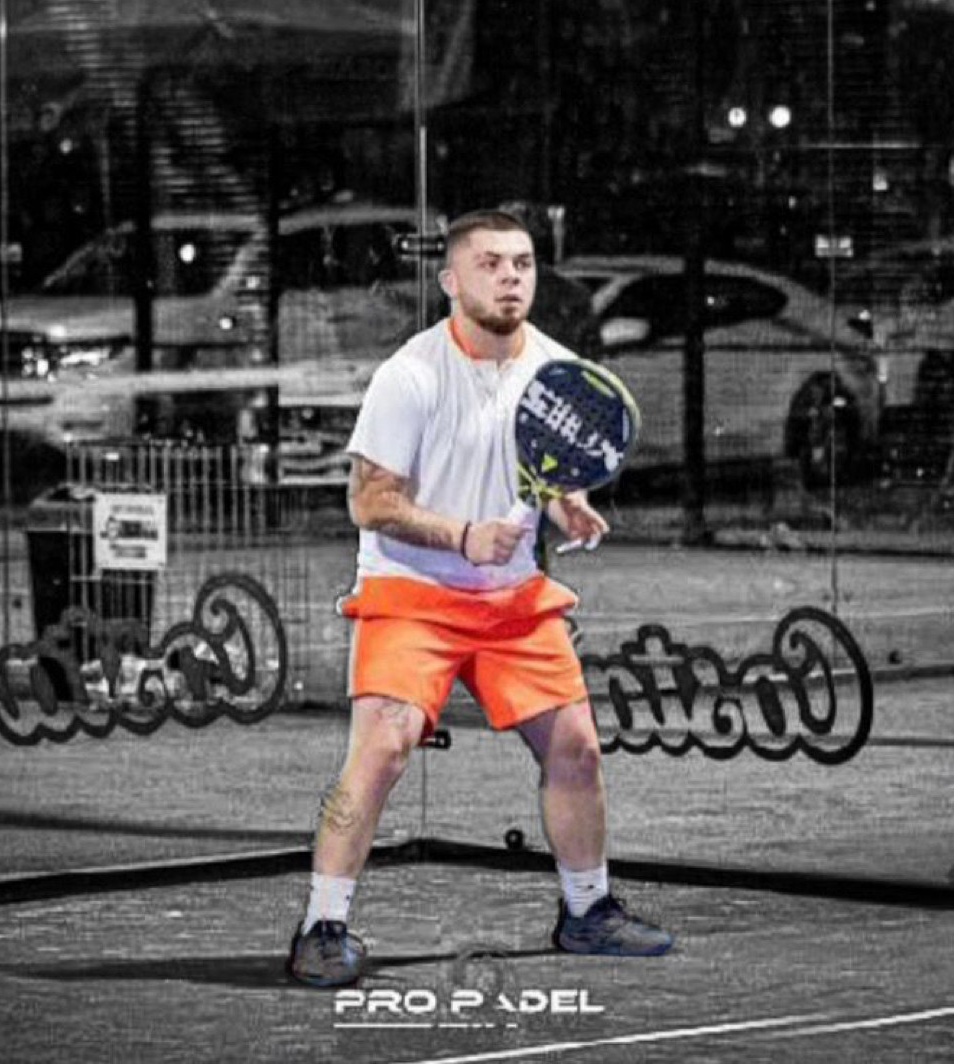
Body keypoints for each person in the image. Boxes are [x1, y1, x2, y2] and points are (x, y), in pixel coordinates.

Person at [286, 209, 673, 987]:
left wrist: (565, 507)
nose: (509, 278)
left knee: (576, 747)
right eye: (490, 264)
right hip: (411, 593)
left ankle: (588, 912)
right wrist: (462, 537)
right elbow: (369, 501)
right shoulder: (410, 374)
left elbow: (545, 468)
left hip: (511, 600)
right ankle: (321, 927)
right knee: (384, 745)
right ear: (450, 280)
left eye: (522, 264)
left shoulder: (557, 372)